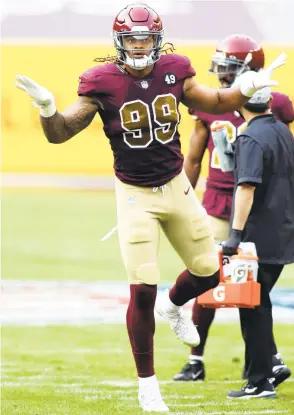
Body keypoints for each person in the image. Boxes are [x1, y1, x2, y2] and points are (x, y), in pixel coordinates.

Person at [15, 4, 286, 412]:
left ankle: (173, 304)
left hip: (175, 185)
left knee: (210, 272)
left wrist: (246, 90)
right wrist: (48, 109)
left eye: (146, 39)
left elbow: (215, 101)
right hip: (134, 194)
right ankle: (148, 386)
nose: (139, 46)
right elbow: (61, 134)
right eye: (132, 39)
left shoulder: (175, 69)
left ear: (157, 42)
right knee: (141, 288)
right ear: (119, 43)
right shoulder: (101, 80)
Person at [174, 34, 293, 386]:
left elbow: (280, 154)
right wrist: (181, 199)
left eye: (229, 68)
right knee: (208, 278)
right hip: (218, 200)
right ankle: (197, 359)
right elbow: (194, 158)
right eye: (221, 68)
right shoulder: (208, 103)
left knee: (251, 290)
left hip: (254, 202)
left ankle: (261, 362)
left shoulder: (277, 104)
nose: (222, 76)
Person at [221, 86, 294, 398]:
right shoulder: (281, 130)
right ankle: (268, 369)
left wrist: (234, 235)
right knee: (258, 303)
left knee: (253, 306)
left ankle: (260, 381)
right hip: (283, 229)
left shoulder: (251, 137)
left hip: (260, 235)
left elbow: (247, 187)